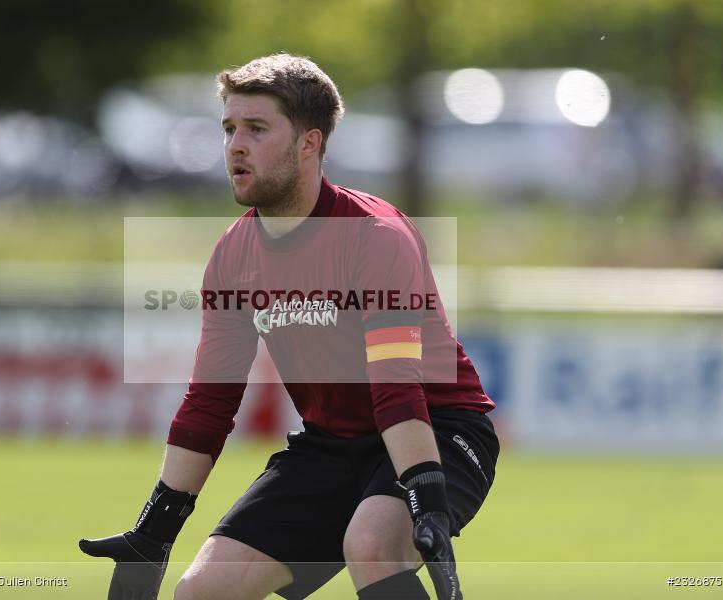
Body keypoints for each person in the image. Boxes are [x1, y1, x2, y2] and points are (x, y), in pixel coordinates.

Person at [80, 53, 498, 600]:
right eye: (229, 128)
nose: (234, 145)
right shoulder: (232, 255)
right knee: (200, 592)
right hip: (332, 445)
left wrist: (425, 493)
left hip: (436, 427)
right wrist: (156, 530)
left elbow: (396, 383)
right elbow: (211, 402)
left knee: (371, 546)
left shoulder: (375, 236)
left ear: (310, 143)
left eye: (256, 129)